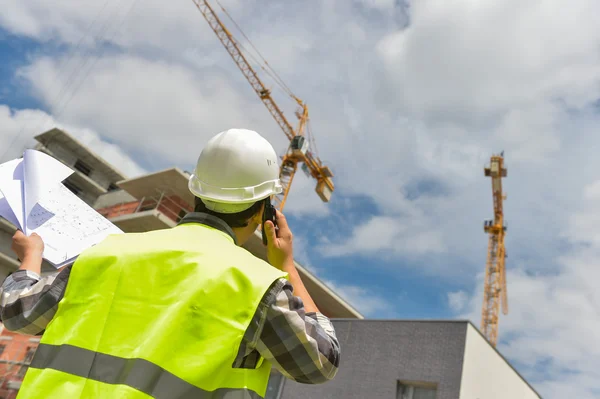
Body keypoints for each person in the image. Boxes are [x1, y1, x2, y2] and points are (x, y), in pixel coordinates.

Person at [0, 128, 340, 399]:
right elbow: (321, 362)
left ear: (197, 192)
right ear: (264, 209)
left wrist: (31, 256)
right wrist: (288, 266)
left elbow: (18, 313)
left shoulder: (107, 252)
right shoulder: (257, 286)